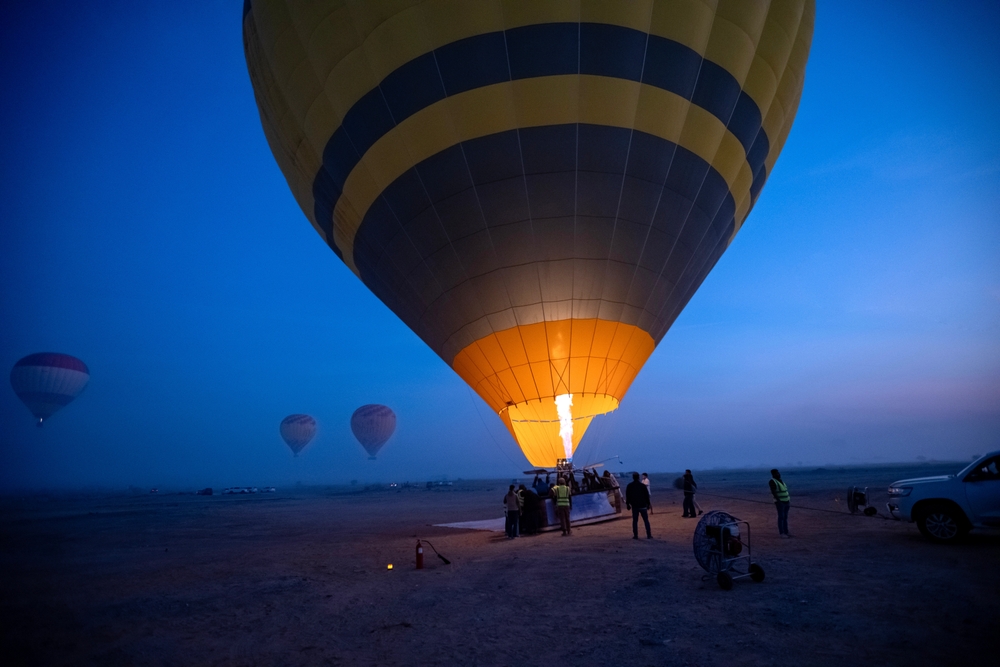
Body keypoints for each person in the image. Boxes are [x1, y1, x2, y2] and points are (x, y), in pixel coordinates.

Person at [625, 472, 652, 539]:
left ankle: (635, 535)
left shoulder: (630, 486)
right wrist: (648, 504)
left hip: (635, 506)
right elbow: (646, 496)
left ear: (633, 477)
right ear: (638, 477)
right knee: (646, 520)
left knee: (635, 521)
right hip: (643, 505)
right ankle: (648, 535)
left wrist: (628, 504)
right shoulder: (642, 486)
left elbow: (628, 496)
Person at [769, 469, 790, 537]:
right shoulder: (772, 481)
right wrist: (779, 501)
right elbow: (773, 492)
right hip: (780, 502)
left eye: (778, 473)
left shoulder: (781, 481)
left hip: (786, 501)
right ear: (773, 474)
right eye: (777, 473)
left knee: (785, 517)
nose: (778, 474)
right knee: (781, 517)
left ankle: (786, 532)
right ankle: (782, 533)